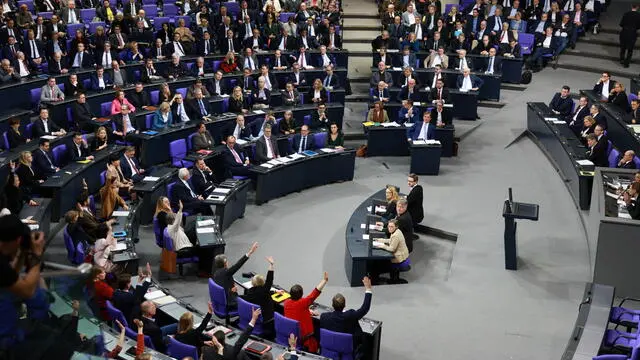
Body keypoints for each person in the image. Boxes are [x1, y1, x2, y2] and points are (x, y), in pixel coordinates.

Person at [320, 277, 373, 358]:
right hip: (347, 350)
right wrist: (368, 289)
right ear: (344, 305)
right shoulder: (351, 316)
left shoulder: (324, 317)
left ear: (332, 305)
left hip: (329, 349)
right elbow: (365, 308)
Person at [284, 271, 329, 352]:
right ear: (301, 294)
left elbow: (296, 310)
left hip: (291, 335)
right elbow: (315, 293)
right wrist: (324, 280)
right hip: (304, 338)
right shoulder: (303, 303)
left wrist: (307, 310)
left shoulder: (286, 303)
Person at [213, 242, 259, 309]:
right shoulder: (226, 272)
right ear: (225, 263)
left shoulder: (216, 273)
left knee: (246, 297)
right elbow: (238, 264)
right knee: (251, 300)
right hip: (230, 302)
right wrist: (250, 252)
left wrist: (230, 290)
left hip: (222, 300)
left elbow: (221, 288)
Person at [242, 256, 277, 336]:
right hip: (266, 318)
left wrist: (274, 291)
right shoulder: (265, 290)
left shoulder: (250, 291)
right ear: (262, 282)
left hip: (255, 316)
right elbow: (269, 278)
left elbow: (264, 289)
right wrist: (271, 264)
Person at [619, 4, 640, 68]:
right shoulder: (639, 15)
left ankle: (622, 59)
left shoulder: (626, 14)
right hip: (632, 33)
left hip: (624, 32)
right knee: (630, 49)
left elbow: (621, 24)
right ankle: (626, 64)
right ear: (637, 8)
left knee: (623, 47)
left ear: (631, 7)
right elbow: (639, 26)